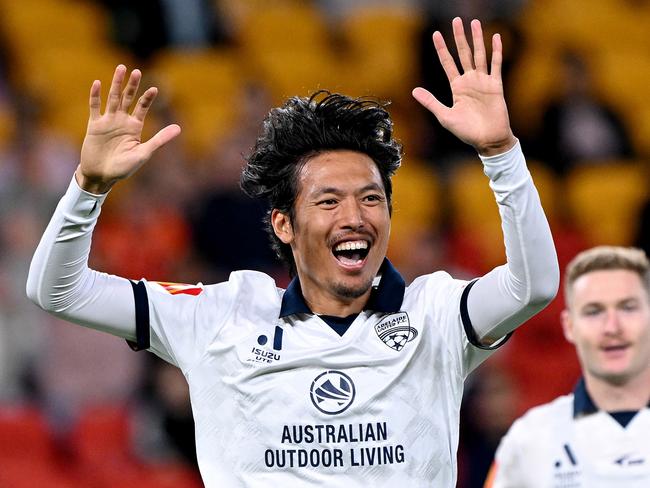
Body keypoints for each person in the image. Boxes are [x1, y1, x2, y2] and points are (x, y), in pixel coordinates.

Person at [26, 18, 558, 487]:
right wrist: (88, 188)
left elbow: (532, 286)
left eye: (371, 199)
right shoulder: (221, 314)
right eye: (329, 201)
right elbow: (58, 290)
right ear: (284, 224)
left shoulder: (435, 313)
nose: (354, 216)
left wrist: (500, 153)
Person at [486, 246, 650, 487]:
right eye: (594, 311)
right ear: (569, 325)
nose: (612, 327)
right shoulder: (530, 438)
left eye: (628, 307)